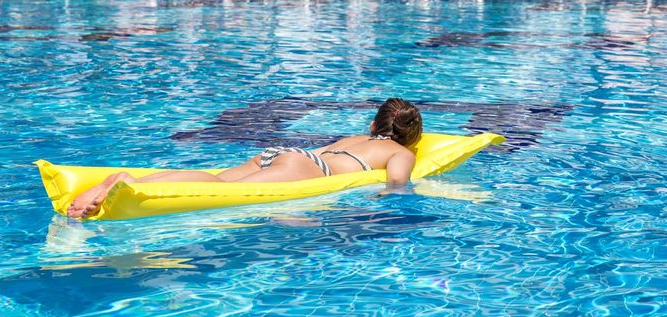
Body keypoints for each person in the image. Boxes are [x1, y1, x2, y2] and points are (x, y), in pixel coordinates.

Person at [67, 98, 424, 218]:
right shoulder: (399, 152)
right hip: (305, 167)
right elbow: (396, 186)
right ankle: (127, 184)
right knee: (214, 189)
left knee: (221, 181)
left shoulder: (356, 136)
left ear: (373, 123)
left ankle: (128, 178)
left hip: (285, 153)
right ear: (411, 137)